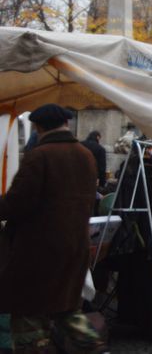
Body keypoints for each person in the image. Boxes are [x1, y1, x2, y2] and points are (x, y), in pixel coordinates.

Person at [0, 103, 105, 353]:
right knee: (66, 307)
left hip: (37, 253)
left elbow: (17, 203)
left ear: (38, 127)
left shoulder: (40, 156)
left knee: (28, 316)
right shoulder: (85, 154)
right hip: (75, 248)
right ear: (66, 124)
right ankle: (95, 344)